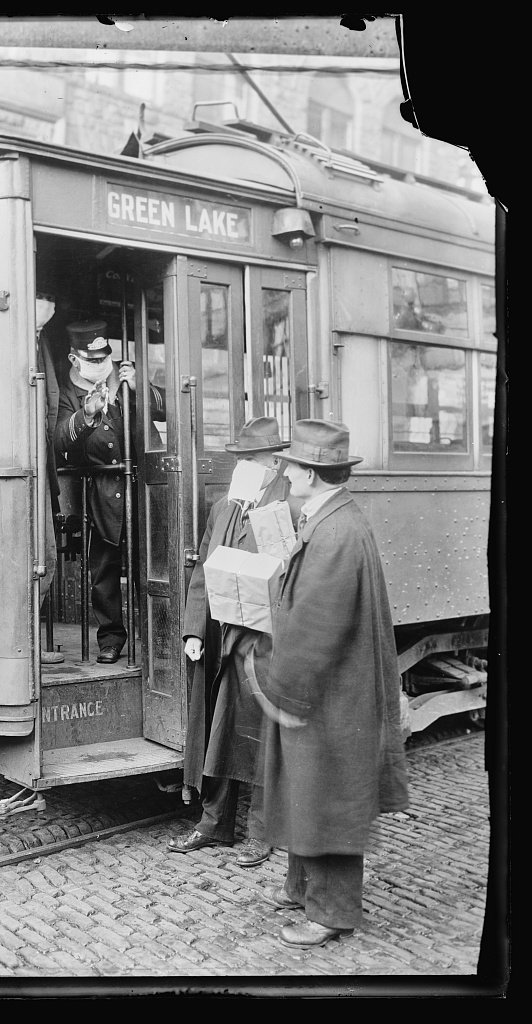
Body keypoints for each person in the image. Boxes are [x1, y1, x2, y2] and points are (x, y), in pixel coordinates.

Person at [252, 418, 409, 948]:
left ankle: (330, 912)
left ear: (313, 474)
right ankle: (303, 889)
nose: (284, 470)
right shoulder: (333, 517)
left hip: (329, 693)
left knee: (331, 796)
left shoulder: (335, 529)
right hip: (331, 688)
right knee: (311, 789)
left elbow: (319, 622)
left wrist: (285, 691)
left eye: (291, 464)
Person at [166, 417, 302, 867]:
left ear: (275, 463)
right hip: (220, 638)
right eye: (239, 458)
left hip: (265, 642)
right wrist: (191, 629)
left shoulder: (290, 507)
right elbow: (204, 570)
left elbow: (295, 578)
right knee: (219, 731)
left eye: (251, 459)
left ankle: (263, 830)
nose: (241, 465)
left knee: (263, 732)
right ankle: (214, 822)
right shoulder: (225, 506)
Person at [54, 319, 166, 664]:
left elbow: (164, 410)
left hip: (143, 487)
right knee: (104, 572)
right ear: (75, 360)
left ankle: (157, 635)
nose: (101, 365)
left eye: (104, 358)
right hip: (101, 492)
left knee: (151, 566)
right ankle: (112, 638)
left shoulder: (126, 375)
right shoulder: (69, 392)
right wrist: (86, 415)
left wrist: (140, 388)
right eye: (92, 360)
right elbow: (59, 440)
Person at [35, 286, 65, 664]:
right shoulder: (27, 340)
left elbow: (51, 399)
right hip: (30, 456)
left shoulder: (38, 340)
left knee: (47, 555)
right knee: (40, 554)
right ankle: (27, 644)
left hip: (40, 456)